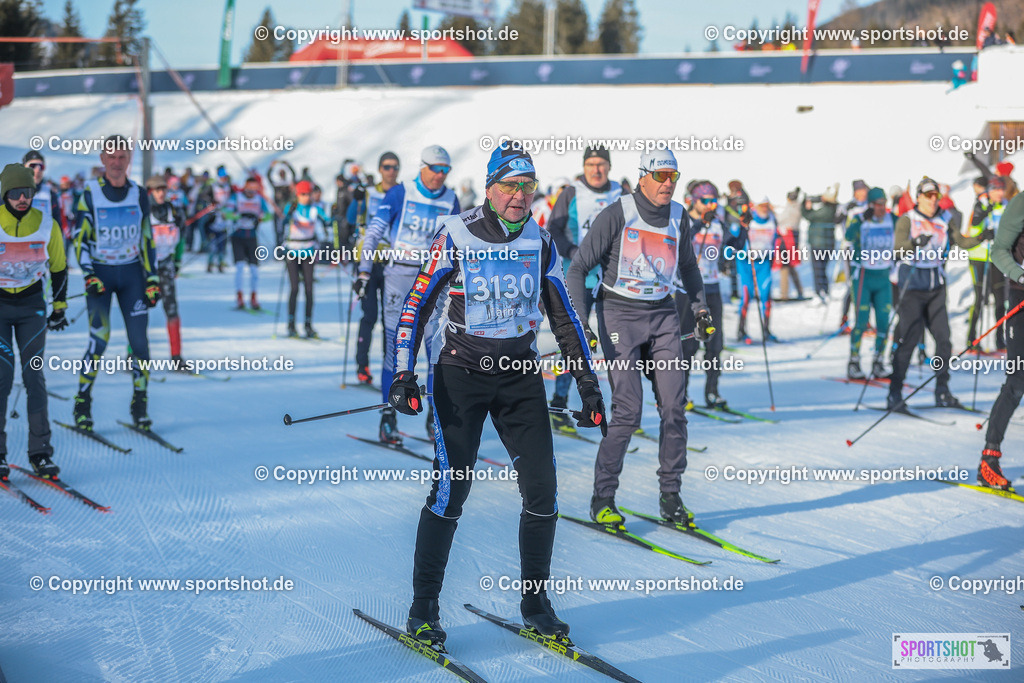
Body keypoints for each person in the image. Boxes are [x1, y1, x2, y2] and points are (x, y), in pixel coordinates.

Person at [388, 144, 604, 645]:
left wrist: (589, 386)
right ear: (489, 188)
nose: (518, 196)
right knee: (451, 490)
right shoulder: (457, 234)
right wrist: (402, 374)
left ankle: (536, 603)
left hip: (518, 375)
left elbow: (566, 319)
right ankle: (423, 609)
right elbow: (416, 307)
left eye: (527, 187)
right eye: (508, 186)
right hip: (460, 374)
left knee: (543, 492)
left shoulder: (540, 239)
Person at [568, 149, 712, 526]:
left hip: (662, 313)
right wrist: (581, 322)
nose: (668, 184)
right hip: (620, 312)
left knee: (674, 407)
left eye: (673, 177)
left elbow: (689, 268)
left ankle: (671, 496)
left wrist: (699, 308)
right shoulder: (618, 212)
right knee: (628, 410)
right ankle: (603, 497)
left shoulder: (680, 216)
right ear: (644, 176)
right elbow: (579, 266)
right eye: (661, 175)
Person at [355, 145, 460, 445]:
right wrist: (363, 271)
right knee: (395, 346)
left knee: (435, 349)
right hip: (399, 276)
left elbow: (460, 243)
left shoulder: (451, 199)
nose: (440, 175)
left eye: (445, 170)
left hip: (432, 280)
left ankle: (433, 418)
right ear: (423, 167)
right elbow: (373, 233)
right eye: (436, 169)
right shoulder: (400, 193)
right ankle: (388, 416)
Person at [72, 135, 160, 430]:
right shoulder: (89, 193)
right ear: (102, 159)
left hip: (132, 276)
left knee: (140, 344)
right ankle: (82, 404)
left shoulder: (139, 194)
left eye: (122, 157)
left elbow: (147, 239)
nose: (117, 163)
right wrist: (88, 274)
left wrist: (153, 279)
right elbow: (80, 239)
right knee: (99, 340)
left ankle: (140, 404)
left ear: (129, 159)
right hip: (101, 275)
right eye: (111, 157)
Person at [887, 178, 988, 411]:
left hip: (936, 287)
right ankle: (895, 392)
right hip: (912, 285)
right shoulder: (907, 220)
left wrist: (982, 237)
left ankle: (942, 390)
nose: (933, 200)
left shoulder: (945, 218)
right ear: (919, 197)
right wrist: (914, 243)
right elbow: (898, 249)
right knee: (909, 340)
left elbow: (961, 242)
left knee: (944, 341)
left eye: (936, 196)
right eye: (928, 195)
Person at [544, 147, 622, 433]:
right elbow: (554, 230)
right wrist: (578, 252)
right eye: (590, 164)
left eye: (601, 164)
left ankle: (622, 409)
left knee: (618, 343)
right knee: (575, 340)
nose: (596, 169)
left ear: (609, 166)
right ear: (584, 167)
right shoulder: (570, 193)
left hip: (613, 281)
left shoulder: (621, 193)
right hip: (576, 279)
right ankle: (560, 402)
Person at [0, 164, 68, 481]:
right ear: (4, 195)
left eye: (27, 192)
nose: (22, 199)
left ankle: (40, 454)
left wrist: (60, 306)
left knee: (33, 374)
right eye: (15, 193)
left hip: (31, 307)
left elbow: (59, 267)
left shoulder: (45, 224)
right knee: (2, 374)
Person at [978, 191, 1024, 489]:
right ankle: (988, 460)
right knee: (1017, 383)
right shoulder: (1021, 202)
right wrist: (1020, 275)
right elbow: (998, 251)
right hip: (1022, 300)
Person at [348, 152, 400, 385]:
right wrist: (355, 199)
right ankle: (362, 367)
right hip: (367, 261)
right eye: (387, 167)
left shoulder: (403, 194)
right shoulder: (369, 193)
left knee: (392, 319)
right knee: (369, 315)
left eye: (395, 167)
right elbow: (352, 218)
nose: (391, 171)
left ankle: (390, 371)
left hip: (393, 261)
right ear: (380, 169)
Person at [677, 181, 730, 407]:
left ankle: (712, 392)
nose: (710, 205)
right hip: (687, 290)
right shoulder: (682, 220)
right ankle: (681, 393)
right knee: (688, 345)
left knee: (714, 344)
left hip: (712, 287)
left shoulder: (718, 224)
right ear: (693, 200)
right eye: (705, 201)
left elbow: (730, 246)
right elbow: (680, 243)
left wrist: (744, 230)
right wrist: (700, 224)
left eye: (713, 201)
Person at [844, 187, 895, 379]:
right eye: (878, 205)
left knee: (884, 322)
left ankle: (878, 361)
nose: (882, 208)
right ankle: (854, 361)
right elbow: (848, 237)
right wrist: (861, 220)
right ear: (870, 205)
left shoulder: (892, 219)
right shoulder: (859, 219)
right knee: (861, 321)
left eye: (884, 204)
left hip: (883, 277)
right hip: (863, 277)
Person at [281, 180, 331, 338]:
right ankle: (291, 324)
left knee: (309, 289)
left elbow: (327, 221)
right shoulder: (292, 208)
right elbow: (282, 222)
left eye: (308, 194)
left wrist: (334, 219)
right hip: (292, 252)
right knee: (294, 288)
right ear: (297, 195)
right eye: (302, 194)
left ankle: (308, 325)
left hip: (308, 251)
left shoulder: (315, 209)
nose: (306, 197)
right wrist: (287, 216)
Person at [146, 176, 187, 365]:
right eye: (157, 190)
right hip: (146, 269)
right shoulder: (144, 211)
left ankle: (177, 357)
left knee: (172, 310)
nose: (161, 193)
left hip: (166, 265)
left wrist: (177, 262)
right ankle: (133, 356)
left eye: (163, 189)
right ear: (150, 192)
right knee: (140, 311)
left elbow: (181, 239)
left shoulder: (174, 212)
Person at [965, 177, 1008, 351]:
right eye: (997, 189)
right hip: (979, 257)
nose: (1000, 193)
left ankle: (1000, 339)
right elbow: (973, 227)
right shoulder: (980, 204)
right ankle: (972, 339)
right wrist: (984, 230)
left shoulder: (1005, 206)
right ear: (990, 191)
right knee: (980, 298)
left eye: (1002, 189)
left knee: (1000, 300)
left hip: (997, 258)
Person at [734, 196, 780, 344]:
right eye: (762, 206)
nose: (764, 209)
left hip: (764, 261)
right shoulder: (748, 219)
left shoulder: (772, 219)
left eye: (767, 205)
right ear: (755, 206)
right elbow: (734, 240)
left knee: (766, 295)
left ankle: (766, 330)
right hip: (746, 262)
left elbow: (776, 239)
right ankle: (741, 331)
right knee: (747, 296)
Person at [224, 176, 273, 310]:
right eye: (249, 189)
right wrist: (240, 215)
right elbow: (226, 213)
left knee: (254, 270)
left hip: (252, 236)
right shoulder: (237, 197)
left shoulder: (259, 199)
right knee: (239, 267)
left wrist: (259, 217)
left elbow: (269, 215)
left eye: (254, 189)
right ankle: (239, 297)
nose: (251, 192)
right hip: (238, 235)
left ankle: (253, 297)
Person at [802, 185, 839, 304]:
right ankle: (824, 291)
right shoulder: (833, 208)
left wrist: (806, 206)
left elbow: (809, 216)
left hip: (819, 244)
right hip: (827, 244)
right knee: (822, 269)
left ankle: (820, 292)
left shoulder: (825, 210)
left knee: (818, 270)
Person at [776, 187, 804, 300]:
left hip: (787, 240)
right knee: (790, 267)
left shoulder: (791, 209)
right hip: (791, 240)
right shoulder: (797, 207)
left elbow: (779, 219)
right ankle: (799, 291)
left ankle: (784, 294)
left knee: (785, 267)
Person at [208, 169, 234, 273]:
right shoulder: (213, 186)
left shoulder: (229, 186)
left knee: (222, 244)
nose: (224, 179)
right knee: (213, 244)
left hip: (225, 216)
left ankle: (220, 263)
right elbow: (204, 195)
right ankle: (210, 264)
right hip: (214, 217)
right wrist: (212, 202)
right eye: (222, 177)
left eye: (225, 177)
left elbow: (233, 198)